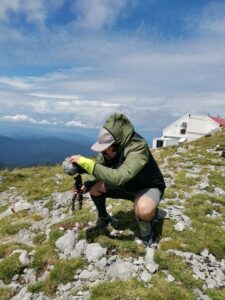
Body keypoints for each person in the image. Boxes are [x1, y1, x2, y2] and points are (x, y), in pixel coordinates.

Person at [69, 112, 165, 246]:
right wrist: (87, 184)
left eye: (104, 150)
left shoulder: (137, 147)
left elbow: (119, 177)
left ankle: (146, 230)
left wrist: (87, 164)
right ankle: (103, 218)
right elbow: (99, 168)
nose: (102, 153)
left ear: (116, 143)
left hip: (147, 187)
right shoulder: (109, 151)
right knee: (94, 188)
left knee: (143, 210)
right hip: (126, 186)